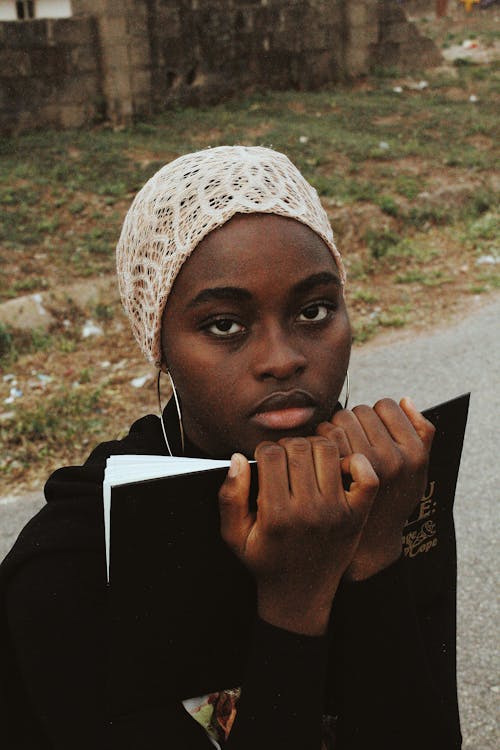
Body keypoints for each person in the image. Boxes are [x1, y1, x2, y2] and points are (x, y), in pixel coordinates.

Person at [0, 146, 462, 749]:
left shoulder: (387, 481)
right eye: (225, 324)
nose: (283, 358)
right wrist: (294, 605)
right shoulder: (72, 567)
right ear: (159, 343)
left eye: (315, 310)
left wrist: (374, 553)